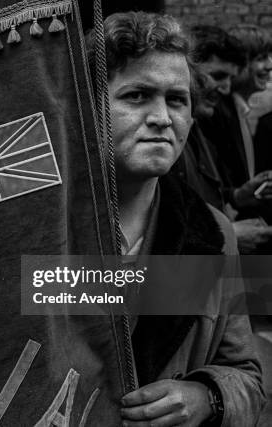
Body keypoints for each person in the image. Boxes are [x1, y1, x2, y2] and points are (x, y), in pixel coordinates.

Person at [88, 12, 264, 426]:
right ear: (85, 105)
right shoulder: (41, 227)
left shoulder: (212, 231)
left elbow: (247, 375)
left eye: (176, 99)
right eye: (136, 96)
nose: (163, 118)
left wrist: (208, 397)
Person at [172, 25, 272, 254]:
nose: (226, 89)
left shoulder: (198, 130)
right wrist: (231, 233)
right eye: (218, 76)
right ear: (188, 70)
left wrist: (237, 196)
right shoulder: (173, 136)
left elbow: (202, 200)